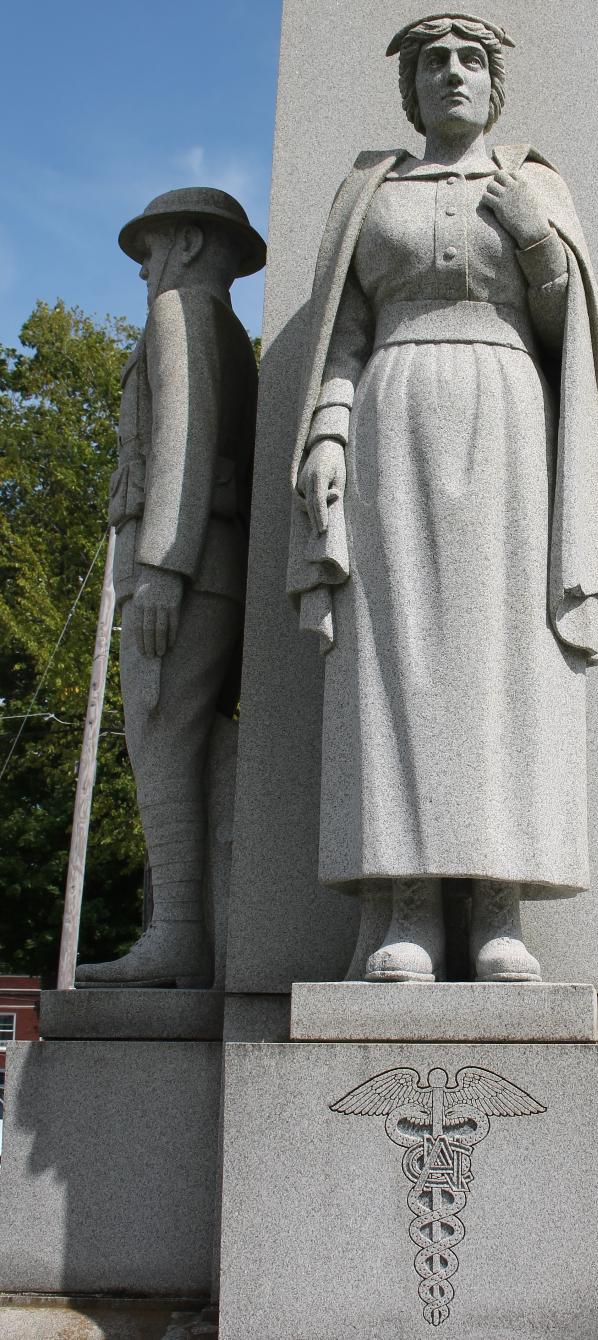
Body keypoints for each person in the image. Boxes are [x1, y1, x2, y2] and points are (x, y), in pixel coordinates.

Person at [287, 13, 598, 984]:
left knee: (503, 657)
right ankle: (408, 904)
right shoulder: (371, 192)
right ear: (410, 88)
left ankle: (500, 905)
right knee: (397, 660)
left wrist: (533, 234)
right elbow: (340, 336)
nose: (452, 75)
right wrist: (328, 430)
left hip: (508, 415)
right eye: (434, 63)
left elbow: (572, 334)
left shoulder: (534, 184)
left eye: (469, 60)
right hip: (391, 417)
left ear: (493, 82)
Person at [76, 188, 265, 987]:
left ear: (186, 244)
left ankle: (179, 932)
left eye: (149, 250)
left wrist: (162, 567)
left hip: (181, 575)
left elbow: (183, 440)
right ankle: (201, 927)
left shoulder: (181, 312)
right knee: (196, 747)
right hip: (214, 572)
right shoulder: (227, 331)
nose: (144, 269)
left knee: (159, 744)